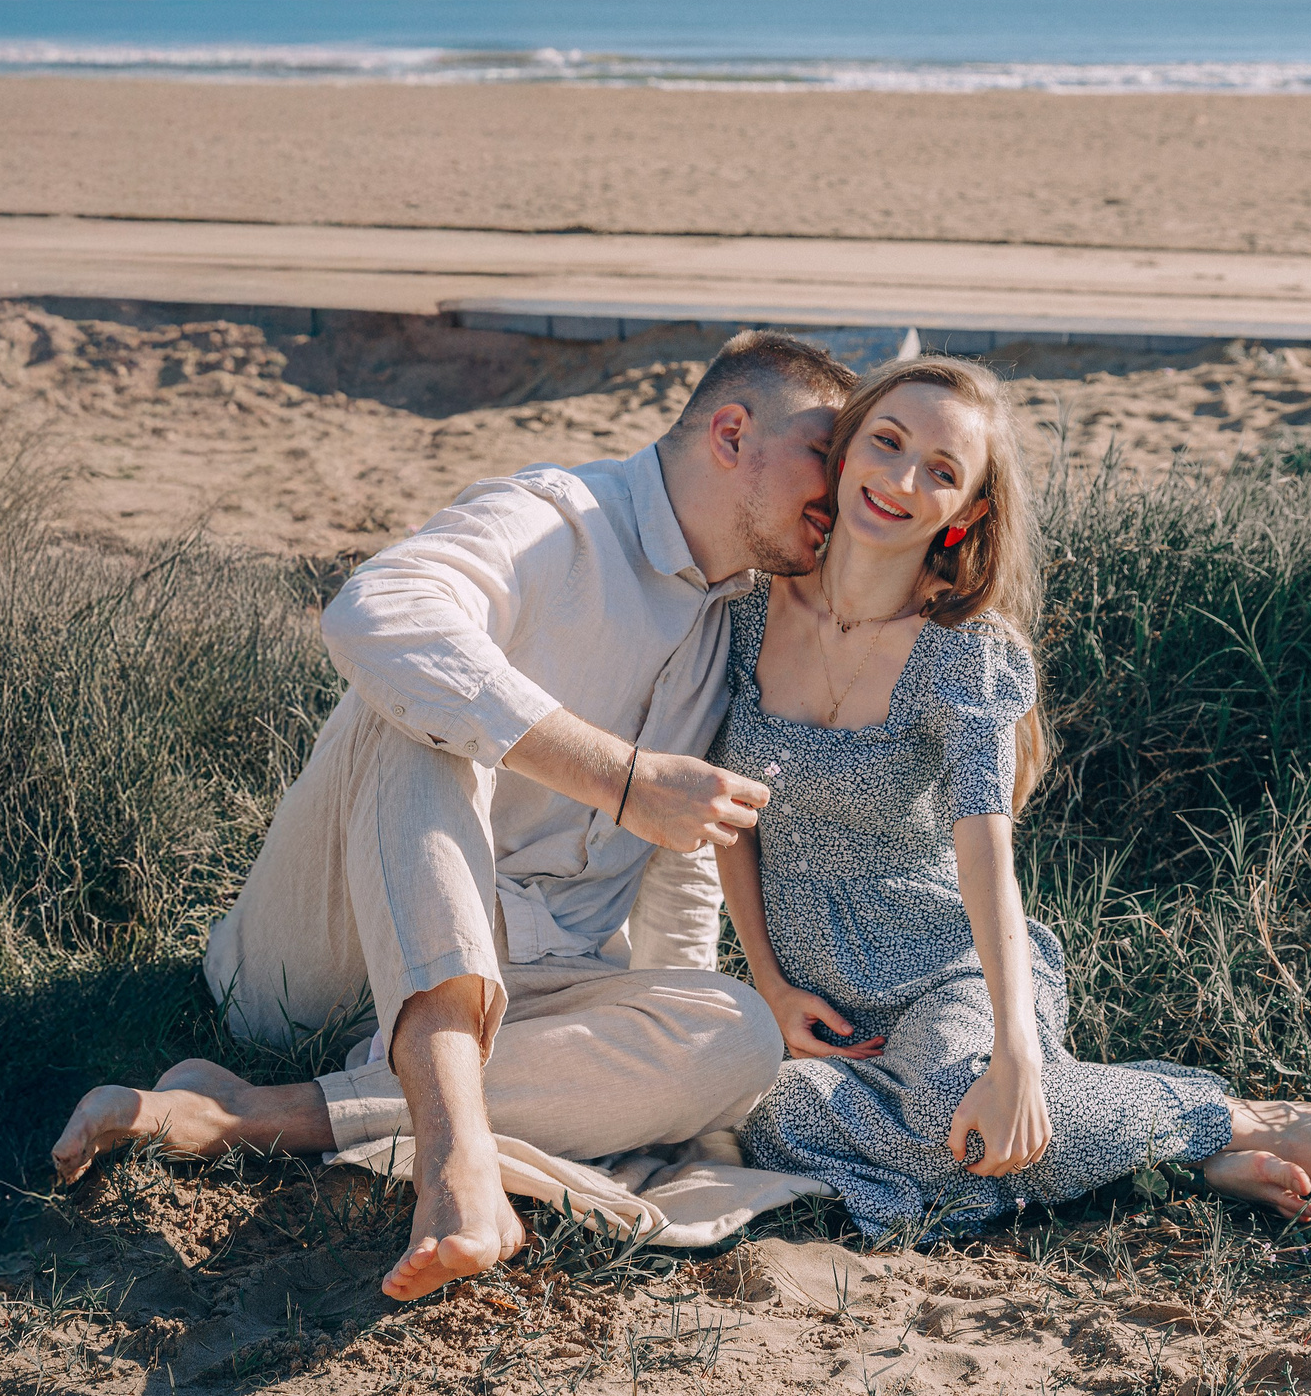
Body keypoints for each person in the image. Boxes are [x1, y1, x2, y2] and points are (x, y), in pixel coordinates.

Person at [48, 331, 858, 1299]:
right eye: (826, 452)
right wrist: (624, 779)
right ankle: (451, 1156)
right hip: (317, 963)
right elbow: (377, 612)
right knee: (419, 711)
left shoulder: (737, 627)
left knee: (738, 1037)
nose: (844, 487)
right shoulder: (557, 518)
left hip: (529, 994)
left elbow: (680, 869)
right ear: (732, 433)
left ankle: (260, 1114)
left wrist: (659, 1056)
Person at [710, 356, 1311, 1240]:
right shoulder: (748, 612)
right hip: (818, 996)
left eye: (944, 471)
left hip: (950, 975)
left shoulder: (965, 652)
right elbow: (727, 813)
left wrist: (1017, 1052)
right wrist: (767, 983)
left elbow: (986, 854)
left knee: (970, 1100)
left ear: (968, 514)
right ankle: (1150, 1152)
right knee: (775, 1115)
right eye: (887, 441)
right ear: (844, 452)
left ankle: (1239, 1119)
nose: (903, 479)